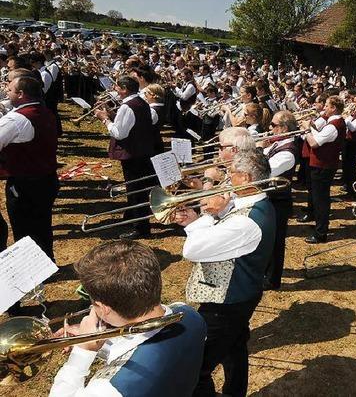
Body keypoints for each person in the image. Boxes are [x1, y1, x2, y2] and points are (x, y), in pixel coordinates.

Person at [173, 150, 276, 397]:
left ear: (245, 177)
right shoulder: (254, 203)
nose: (226, 178)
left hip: (226, 302)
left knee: (195, 369)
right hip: (242, 294)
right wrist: (209, 214)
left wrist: (206, 216)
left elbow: (192, 250)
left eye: (231, 173)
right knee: (235, 349)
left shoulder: (246, 220)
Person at [49, 240, 207, 397]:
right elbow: (139, 344)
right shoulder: (188, 313)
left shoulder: (108, 389)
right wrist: (92, 338)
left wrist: (83, 351)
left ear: (103, 308)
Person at [0, 76, 58, 262]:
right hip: (46, 177)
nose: (6, 92)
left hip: (25, 181)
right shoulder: (44, 111)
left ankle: (30, 266)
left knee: (23, 226)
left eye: (9, 90)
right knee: (42, 224)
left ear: (21, 94)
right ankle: (46, 262)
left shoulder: (17, 119)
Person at [95, 76, 156, 239]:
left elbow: (119, 133)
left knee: (135, 191)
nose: (115, 90)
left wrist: (105, 119)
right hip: (142, 151)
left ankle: (140, 228)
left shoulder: (128, 106)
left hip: (133, 154)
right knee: (138, 189)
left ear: (124, 89)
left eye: (117, 87)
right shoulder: (141, 102)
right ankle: (133, 218)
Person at [299, 95, 346, 243]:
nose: (324, 108)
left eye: (326, 105)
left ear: (333, 108)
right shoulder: (332, 123)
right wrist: (312, 127)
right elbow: (319, 136)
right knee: (318, 198)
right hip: (323, 164)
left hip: (323, 166)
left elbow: (314, 143)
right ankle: (320, 227)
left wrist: (307, 130)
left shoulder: (333, 125)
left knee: (321, 200)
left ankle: (321, 233)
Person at [263, 111, 298, 290]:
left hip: (278, 201)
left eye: (273, 125)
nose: (269, 128)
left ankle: (273, 279)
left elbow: (265, 171)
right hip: (271, 198)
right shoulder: (277, 143)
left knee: (276, 242)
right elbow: (263, 155)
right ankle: (266, 272)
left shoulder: (288, 153)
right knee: (268, 239)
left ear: (283, 128)